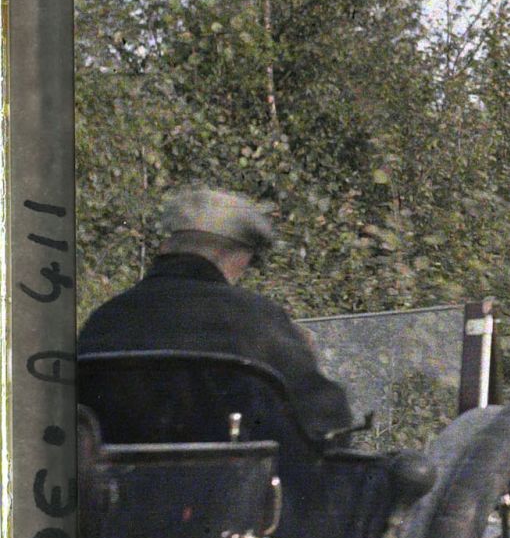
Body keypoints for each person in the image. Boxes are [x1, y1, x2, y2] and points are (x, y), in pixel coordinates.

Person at [78, 185, 356, 441]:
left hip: (119, 495)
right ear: (238, 256)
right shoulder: (258, 320)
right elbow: (329, 430)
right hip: (232, 495)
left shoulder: (104, 321)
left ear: (167, 247)